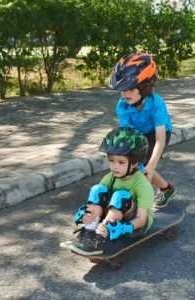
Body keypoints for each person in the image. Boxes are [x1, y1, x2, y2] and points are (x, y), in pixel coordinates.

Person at [71, 127, 155, 256]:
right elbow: (97, 200)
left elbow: (141, 220)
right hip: (114, 215)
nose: (115, 166)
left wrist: (123, 228)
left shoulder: (142, 185)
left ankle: (99, 236)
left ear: (135, 163)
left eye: (121, 162)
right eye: (111, 161)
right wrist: (86, 213)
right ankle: (90, 230)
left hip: (135, 225)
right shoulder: (110, 177)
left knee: (121, 196)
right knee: (98, 190)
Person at [108, 52, 176, 208]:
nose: (125, 94)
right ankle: (166, 188)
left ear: (145, 87)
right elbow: (127, 135)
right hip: (138, 133)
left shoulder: (156, 104)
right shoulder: (123, 106)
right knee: (133, 164)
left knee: (143, 165)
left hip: (158, 134)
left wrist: (150, 166)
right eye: (122, 89)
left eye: (130, 89)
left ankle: (140, 201)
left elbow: (160, 140)